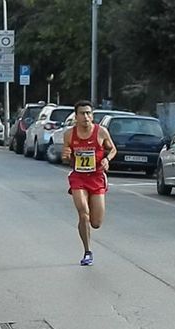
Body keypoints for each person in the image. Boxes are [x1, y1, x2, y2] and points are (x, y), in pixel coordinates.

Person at [62, 100, 117, 266]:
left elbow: (113, 149)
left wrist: (107, 159)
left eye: (89, 113)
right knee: (83, 213)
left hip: (97, 177)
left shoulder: (101, 132)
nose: (86, 117)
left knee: (96, 223)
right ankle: (87, 252)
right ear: (76, 116)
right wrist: (65, 156)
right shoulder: (69, 134)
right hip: (78, 177)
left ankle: (89, 241)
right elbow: (66, 158)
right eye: (82, 113)